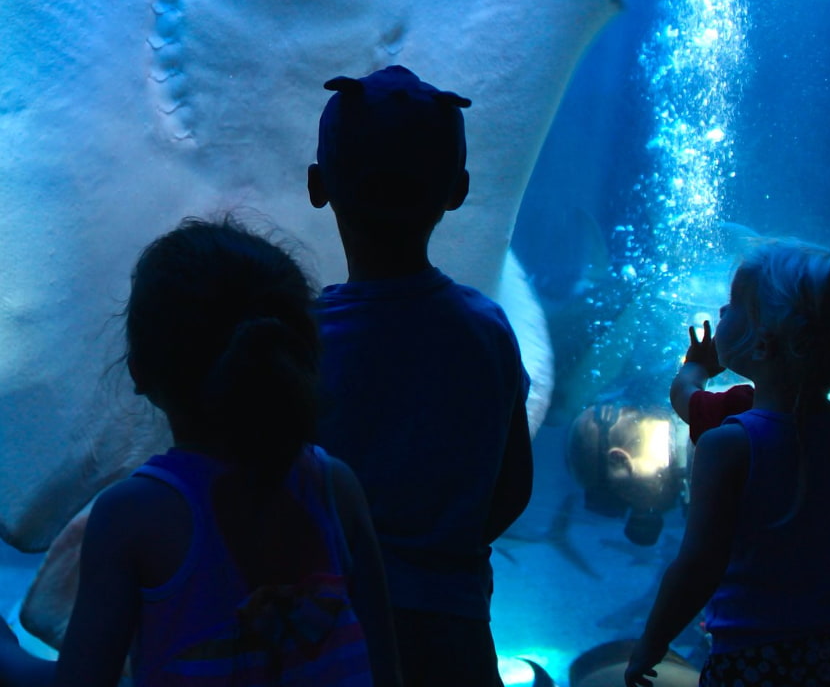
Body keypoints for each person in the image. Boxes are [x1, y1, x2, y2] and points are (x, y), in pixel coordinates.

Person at [0, 218, 401, 687]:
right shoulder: (336, 488)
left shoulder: (131, 519)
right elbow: (385, 668)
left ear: (139, 372)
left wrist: (6, 655)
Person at [307, 65, 533, 687]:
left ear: (316, 184)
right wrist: (445, 553)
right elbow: (513, 487)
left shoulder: (300, 340)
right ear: (458, 190)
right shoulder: (487, 331)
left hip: (324, 626)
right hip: (453, 628)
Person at [625, 239, 830, 687]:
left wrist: (652, 642)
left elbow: (697, 565)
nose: (722, 309)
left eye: (735, 304)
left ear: (763, 345)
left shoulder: (731, 445)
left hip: (754, 662)